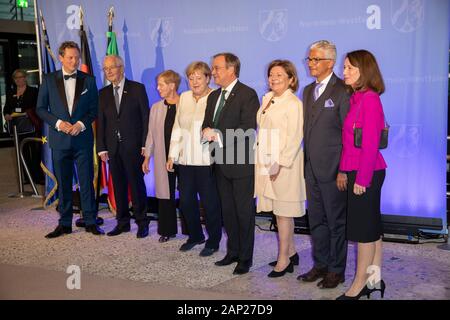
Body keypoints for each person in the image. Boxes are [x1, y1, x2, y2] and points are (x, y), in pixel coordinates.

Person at [36, 41, 103, 238]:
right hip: (59, 141)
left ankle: (90, 221)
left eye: (77, 57)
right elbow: (40, 108)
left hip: (82, 140)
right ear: (61, 58)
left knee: (86, 182)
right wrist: (58, 123)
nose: (74, 61)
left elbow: (93, 110)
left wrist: (81, 125)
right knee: (63, 184)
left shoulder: (89, 80)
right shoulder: (48, 80)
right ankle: (64, 223)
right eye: (70, 57)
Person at [298, 40, 350, 288]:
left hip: (334, 170)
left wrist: (344, 169)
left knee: (335, 221)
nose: (310, 63)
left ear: (330, 62)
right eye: (309, 59)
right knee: (316, 219)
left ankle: (336, 270)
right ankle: (320, 264)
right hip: (311, 169)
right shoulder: (308, 91)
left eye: (315, 59)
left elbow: (348, 135)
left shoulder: (343, 91)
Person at [202, 53, 259, 275]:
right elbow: (208, 124)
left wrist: (218, 135)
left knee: (243, 212)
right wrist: (206, 131)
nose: (213, 72)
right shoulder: (214, 96)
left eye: (216, 68)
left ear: (231, 69)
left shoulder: (247, 94)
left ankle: (245, 258)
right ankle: (233, 251)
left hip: (241, 164)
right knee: (228, 212)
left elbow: (247, 129)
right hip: (219, 163)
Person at [336, 50, 387, 300]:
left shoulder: (370, 99)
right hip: (358, 170)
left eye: (349, 68)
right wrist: (345, 170)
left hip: (368, 171)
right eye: (344, 67)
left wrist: (362, 179)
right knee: (372, 228)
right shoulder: (357, 98)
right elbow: (349, 142)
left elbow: (370, 144)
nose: (344, 72)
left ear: (363, 72)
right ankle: (376, 279)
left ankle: (360, 283)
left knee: (363, 232)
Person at [255, 60, 306, 277]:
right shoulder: (268, 98)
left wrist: (280, 162)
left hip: (284, 164)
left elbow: (295, 137)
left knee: (284, 213)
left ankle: (283, 259)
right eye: (271, 74)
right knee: (278, 212)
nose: (273, 78)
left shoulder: (293, 103)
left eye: (279, 75)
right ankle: (291, 252)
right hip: (266, 161)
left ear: (291, 79)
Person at [167, 62, 222, 256]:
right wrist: (172, 154)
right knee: (186, 202)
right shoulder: (184, 97)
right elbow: (177, 127)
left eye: (199, 77)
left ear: (208, 78)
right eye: (191, 78)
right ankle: (195, 236)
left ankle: (213, 240)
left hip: (207, 161)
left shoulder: (216, 97)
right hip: (186, 160)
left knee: (210, 204)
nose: (195, 81)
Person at [97, 55, 150, 238]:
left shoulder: (137, 89)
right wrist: (101, 147)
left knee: (136, 186)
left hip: (133, 147)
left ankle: (142, 222)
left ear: (122, 68)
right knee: (118, 186)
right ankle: (123, 222)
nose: (109, 71)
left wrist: (145, 144)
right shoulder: (102, 93)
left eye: (112, 67)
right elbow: (101, 123)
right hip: (112, 149)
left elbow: (145, 118)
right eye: (105, 69)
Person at [143, 70, 181, 243]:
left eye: (161, 85)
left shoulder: (186, 104)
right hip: (162, 157)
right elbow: (150, 134)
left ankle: (192, 231)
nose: (157, 88)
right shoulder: (156, 108)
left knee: (186, 194)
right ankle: (167, 230)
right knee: (165, 194)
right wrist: (146, 157)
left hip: (184, 157)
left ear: (172, 86)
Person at [3, 69, 42, 184]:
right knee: (22, 152)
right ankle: (26, 177)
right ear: (14, 80)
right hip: (17, 127)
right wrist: (6, 115)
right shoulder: (10, 92)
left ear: (25, 78)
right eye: (16, 78)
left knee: (35, 152)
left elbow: (38, 107)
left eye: (21, 77)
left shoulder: (33, 91)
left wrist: (28, 113)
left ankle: (37, 177)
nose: (19, 79)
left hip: (30, 124)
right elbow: (6, 108)